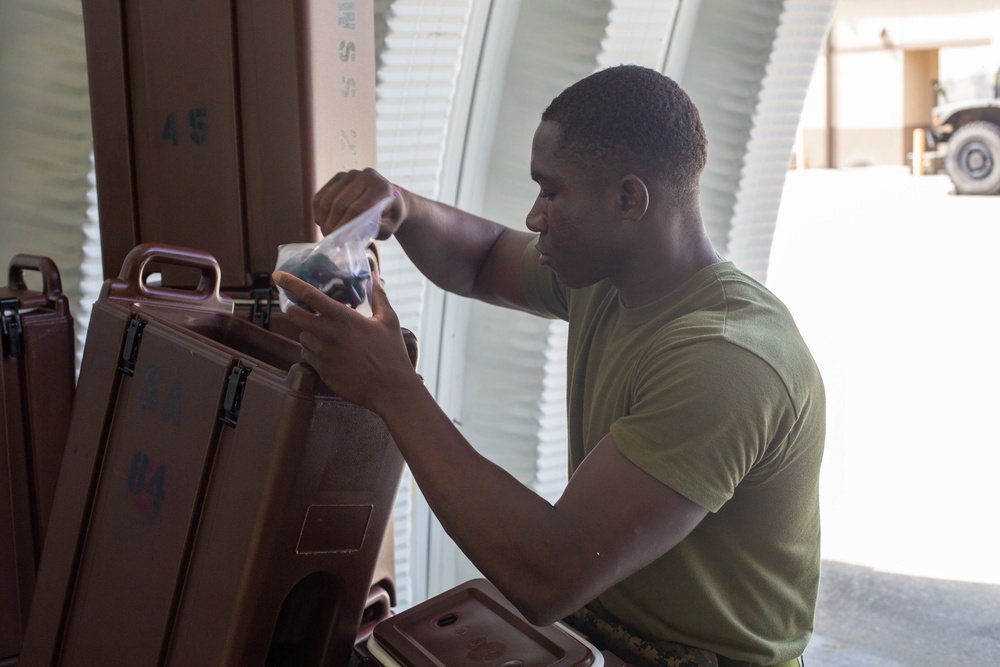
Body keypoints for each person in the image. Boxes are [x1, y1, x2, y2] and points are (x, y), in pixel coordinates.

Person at [273, 65, 824, 667]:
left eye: (551, 192)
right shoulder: (610, 278)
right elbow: (481, 259)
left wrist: (392, 388)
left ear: (628, 199)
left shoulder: (725, 362)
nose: (534, 217)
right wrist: (398, 207)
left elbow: (547, 575)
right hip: (594, 635)